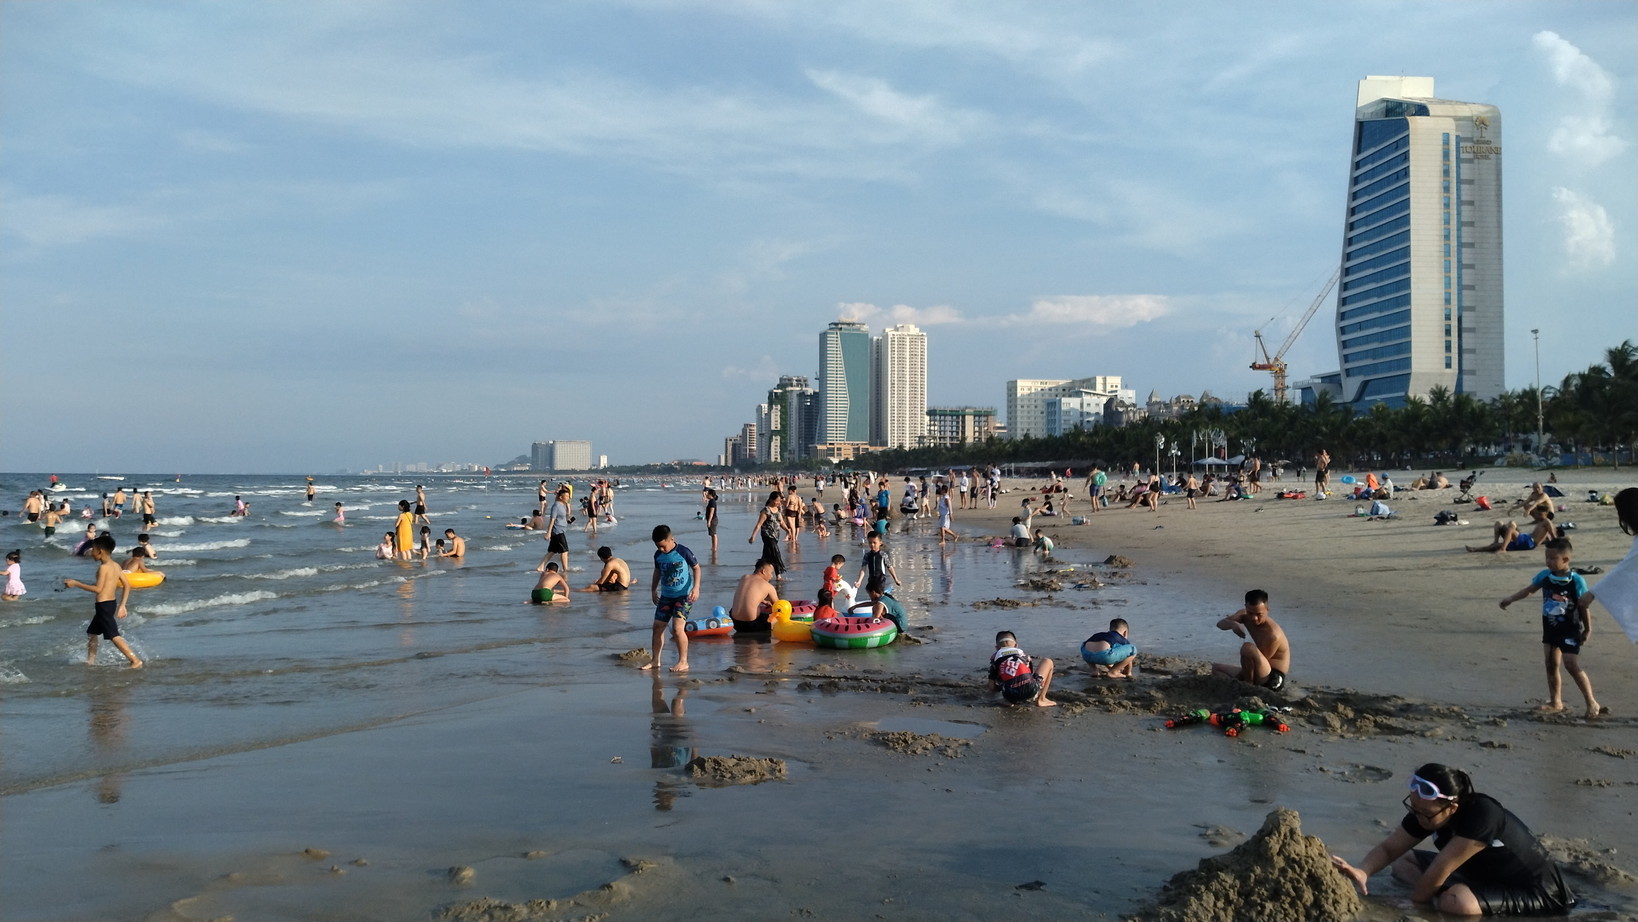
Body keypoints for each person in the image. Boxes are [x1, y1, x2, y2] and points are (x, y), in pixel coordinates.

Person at [1330, 763, 1575, 916]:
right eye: (1413, 809)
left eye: (1425, 814)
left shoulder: (1482, 815)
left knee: (1456, 904)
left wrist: (1416, 907)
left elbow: (1441, 868)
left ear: (1452, 809)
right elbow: (1388, 849)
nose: (1418, 818)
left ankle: (1450, 898)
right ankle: (1450, 894)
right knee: (1404, 863)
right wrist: (1363, 871)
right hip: (1481, 876)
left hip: (1540, 891)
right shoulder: (1425, 811)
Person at [1498, 537, 1601, 718]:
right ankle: (1556, 701)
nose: (1548, 561)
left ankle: (1591, 701)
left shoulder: (1575, 580)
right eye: (1547, 557)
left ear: (1565, 560)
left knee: (1571, 664)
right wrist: (1511, 599)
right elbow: (1529, 590)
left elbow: (1584, 605)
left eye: (1553, 558)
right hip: (1550, 629)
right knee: (1551, 664)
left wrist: (1588, 629)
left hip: (1570, 629)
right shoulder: (1545, 576)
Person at [64, 534, 141, 668]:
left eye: (93, 549)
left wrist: (76, 583)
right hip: (110, 604)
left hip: (103, 606)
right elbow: (127, 585)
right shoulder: (116, 565)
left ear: (100, 551)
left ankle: (134, 660)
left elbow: (98, 589)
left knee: (113, 635)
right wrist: (122, 605)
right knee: (92, 632)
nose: (91, 552)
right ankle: (91, 661)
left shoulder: (103, 568)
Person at [644, 525, 700, 673]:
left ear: (672, 539)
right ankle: (655, 660)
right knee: (657, 628)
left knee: (677, 628)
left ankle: (683, 661)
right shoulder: (658, 555)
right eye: (658, 547)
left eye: (663, 546)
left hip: (684, 596)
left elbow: (696, 568)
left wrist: (696, 587)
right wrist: (653, 589)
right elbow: (657, 572)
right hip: (666, 596)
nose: (661, 549)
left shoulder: (683, 552)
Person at [1211, 589, 1291, 691]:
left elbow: (1259, 659)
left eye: (1259, 614)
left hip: (1272, 676)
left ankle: (1247, 685)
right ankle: (1239, 686)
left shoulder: (1273, 634)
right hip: (1258, 668)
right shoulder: (1244, 615)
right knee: (1216, 669)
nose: (1254, 618)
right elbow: (1220, 624)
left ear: (1267, 609)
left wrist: (1240, 677)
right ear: (1246, 608)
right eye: (1250, 613)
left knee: (1247, 648)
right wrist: (1233, 624)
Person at [988, 630, 1056, 707]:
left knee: (1004, 677)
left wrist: (999, 689)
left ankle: (1008, 700)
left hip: (1010, 695)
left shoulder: (995, 658)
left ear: (997, 648)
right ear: (1016, 645)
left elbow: (991, 686)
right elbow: (1029, 673)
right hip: (1030, 690)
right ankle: (1041, 699)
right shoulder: (1023, 654)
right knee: (1048, 661)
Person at [728, 559, 781, 633]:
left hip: (735, 622)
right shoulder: (769, 587)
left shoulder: (744, 577)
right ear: (764, 571)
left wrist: (763, 601)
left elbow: (747, 594)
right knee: (779, 619)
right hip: (751, 625)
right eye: (771, 573)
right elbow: (780, 607)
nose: (772, 576)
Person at [749, 491, 787, 576]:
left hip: (776, 535)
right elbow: (759, 525)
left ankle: (756, 573)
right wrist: (753, 536)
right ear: (771, 500)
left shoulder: (778, 509)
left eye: (779, 501)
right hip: (767, 535)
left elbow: (781, 522)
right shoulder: (766, 511)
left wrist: (788, 530)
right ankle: (780, 571)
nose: (778, 502)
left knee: (767, 556)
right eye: (777, 501)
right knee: (775, 552)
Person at [542, 486, 571, 572]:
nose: (568, 498)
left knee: (552, 551)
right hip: (558, 531)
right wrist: (548, 532)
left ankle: (540, 567)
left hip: (561, 530)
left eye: (568, 496)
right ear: (561, 497)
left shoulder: (563, 505)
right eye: (566, 497)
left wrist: (568, 521)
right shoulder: (556, 505)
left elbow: (561, 518)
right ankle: (565, 569)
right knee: (564, 550)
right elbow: (552, 519)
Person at [1466, 520, 1538, 554]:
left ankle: (1476, 549)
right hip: (1514, 536)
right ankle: (1495, 541)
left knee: (1494, 547)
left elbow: (1537, 541)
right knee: (1499, 523)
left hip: (1515, 539)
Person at [703, 488, 719, 555]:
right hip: (712, 519)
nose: (706, 494)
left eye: (707, 493)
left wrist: (709, 521)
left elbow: (711, 512)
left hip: (713, 520)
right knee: (712, 534)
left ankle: (714, 547)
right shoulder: (711, 501)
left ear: (710, 495)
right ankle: (713, 546)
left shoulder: (712, 502)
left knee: (713, 534)